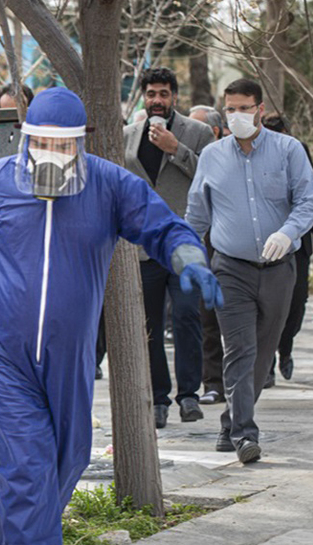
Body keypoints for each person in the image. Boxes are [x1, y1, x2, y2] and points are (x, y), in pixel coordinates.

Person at [0, 87, 222, 545]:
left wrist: (188, 256)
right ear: (26, 136)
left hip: (71, 354)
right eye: (42, 142)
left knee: (67, 459)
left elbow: (162, 225)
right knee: (27, 469)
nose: (52, 153)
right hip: (2, 352)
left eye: (63, 144)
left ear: (81, 141)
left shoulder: (109, 185)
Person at [186, 79, 313, 463]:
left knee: (264, 352)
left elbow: (309, 202)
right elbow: (197, 213)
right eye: (231, 108)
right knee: (240, 349)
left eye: (245, 108)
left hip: (279, 268)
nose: (237, 116)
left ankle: (231, 420)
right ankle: (245, 434)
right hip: (230, 267)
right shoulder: (212, 156)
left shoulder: (288, 150)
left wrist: (288, 232)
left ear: (259, 109)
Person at [122, 68, 214, 428]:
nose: (157, 100)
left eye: (163, 93)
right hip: (143, 246)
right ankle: (158, 398)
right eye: (151, 94)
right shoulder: (128, 135)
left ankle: (189, 394)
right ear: (143, 97)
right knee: (149, 325)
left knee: (187, 315)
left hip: (185, 241)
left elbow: (210, 179)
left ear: (174, 96)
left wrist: (176, 150)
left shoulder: (198, 133)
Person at [261, 112, 313, 386]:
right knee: (267, 305)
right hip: (266, 240)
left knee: (296, 303)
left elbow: (310, 196)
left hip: (297, 242)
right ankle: (267, 365)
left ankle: (285, 347)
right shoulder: (255, 153)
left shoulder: (298, 150)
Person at [188, 105, 228, 405]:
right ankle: (212, 383)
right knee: (207, 316)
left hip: (231, 246)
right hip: (199, 243)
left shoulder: (227, 156)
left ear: (212, 131)